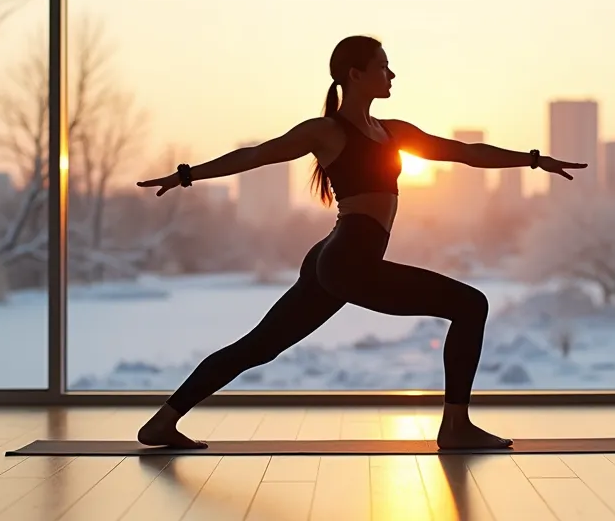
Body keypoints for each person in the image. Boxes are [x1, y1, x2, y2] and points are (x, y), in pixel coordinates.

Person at [134, 35, 588, 450]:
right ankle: (455, 427)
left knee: (259, 346)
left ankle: (163, 422)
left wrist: (533, 160)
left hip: (336, 258)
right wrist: (187, 175)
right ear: (355, 74)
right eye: (384, 66)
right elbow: (255, 155)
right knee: (471, 305)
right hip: (347, 259)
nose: (392, 75)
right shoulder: (326, 132)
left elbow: (464, 152)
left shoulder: (394, 133)